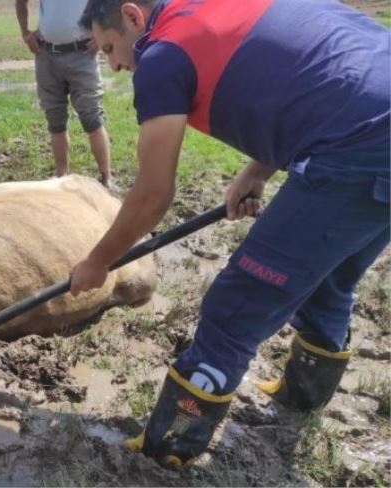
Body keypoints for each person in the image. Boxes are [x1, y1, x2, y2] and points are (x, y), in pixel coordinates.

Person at [71, 0, 390, 467]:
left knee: (235, 305)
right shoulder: (216, 7)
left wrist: (98, 261)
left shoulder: (163, 54)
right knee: (332, 275)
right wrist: (259, 169)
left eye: (110, 47)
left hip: (360, 142)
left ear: (133, 16)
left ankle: (172, 444)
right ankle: (302, 399)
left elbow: (152, 194)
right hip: (371, 117)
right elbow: (316, 74)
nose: (116, 65)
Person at [16, 0, 116, 190]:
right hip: (46, 54)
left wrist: (102, 34)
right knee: (55, 119)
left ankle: (107, 177)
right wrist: (25, 33)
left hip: (82, 54)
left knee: (92, 117)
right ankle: (61, 176)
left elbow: (112, 4)